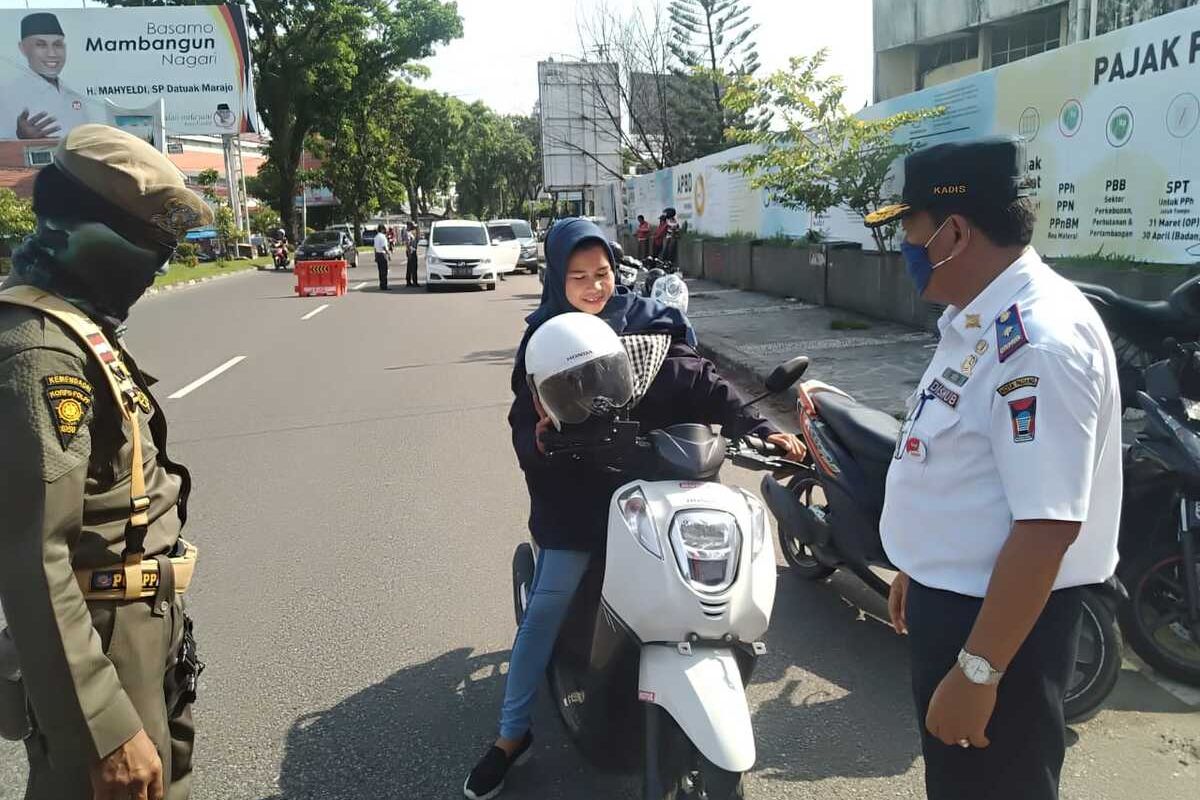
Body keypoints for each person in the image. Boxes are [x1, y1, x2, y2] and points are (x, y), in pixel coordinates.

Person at [462, 218, 805, 799]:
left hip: (656, 492)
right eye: (578, 277)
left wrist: (760, 427)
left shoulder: (648, 325)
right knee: (547, 608)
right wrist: (544, 442)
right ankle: (511, 735)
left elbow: (703, 382)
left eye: (602, 274)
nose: (594, 288)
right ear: (557, 279)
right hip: (578, 499)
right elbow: (525, 424)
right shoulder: (546, 339)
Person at [866, 138, 1122, 800]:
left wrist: (979, 673)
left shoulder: (1037, 342)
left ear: (953, 230)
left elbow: (1045, 529)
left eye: (909, 227)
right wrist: (918, 566)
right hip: (959, 605)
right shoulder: (982, 319)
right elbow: (964, 466)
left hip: (1002, 628)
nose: (904, 246)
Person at [0, 124, 211, 800]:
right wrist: (101, 725)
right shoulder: (40, 350)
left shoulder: (74, 327)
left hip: (140, 630)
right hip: (99, 646)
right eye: (149, 248)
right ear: (89, 232)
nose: (155, 270)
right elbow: (35, 556)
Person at [0, 13, 93, 140]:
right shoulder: (6, 95)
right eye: (41, 45)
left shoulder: (73, 96)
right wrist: (20, 138)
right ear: (23, 48)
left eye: (57, 44)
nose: (52, 53)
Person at [373, 223, 390, 291]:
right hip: (382, 254)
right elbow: (384, 247)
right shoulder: (383, 237)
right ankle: (384, 285)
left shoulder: (376, 237)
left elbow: (374, 248)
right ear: (382, 229)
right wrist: (388, 254)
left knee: (380, 271)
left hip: (378, 254)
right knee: (384, 271)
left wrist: (375, 256)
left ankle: (381, 284)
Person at [405, 221, 420, 287]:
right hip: (411, 251)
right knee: (413, 267)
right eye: (413, 226)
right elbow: (407, 244)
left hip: (411, 251)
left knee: (410, 267)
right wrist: (409, 253)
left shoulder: (411, 233)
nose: (414, 227)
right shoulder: (408, 233)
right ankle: (414, 282)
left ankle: (409, 281)